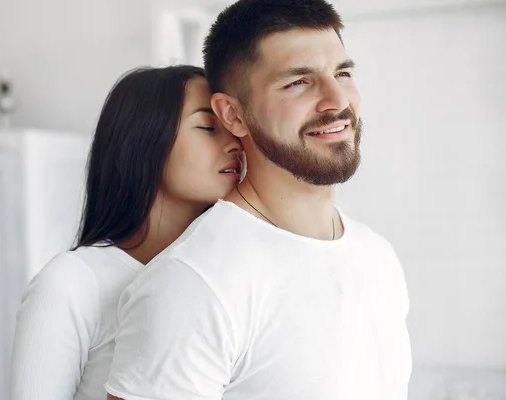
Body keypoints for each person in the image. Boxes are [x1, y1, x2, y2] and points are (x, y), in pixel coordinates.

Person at [105, 0, 412, 399]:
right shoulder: (194, 283)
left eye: (343, 72)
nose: (337, 101)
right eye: (298, 82)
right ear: (233, 115)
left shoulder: (377, 256)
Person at [9, 65, 243, 400]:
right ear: (145, 142)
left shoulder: (220, 276)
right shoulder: (70, 283)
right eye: (208, 126)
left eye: (234, 128)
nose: (235, 144)